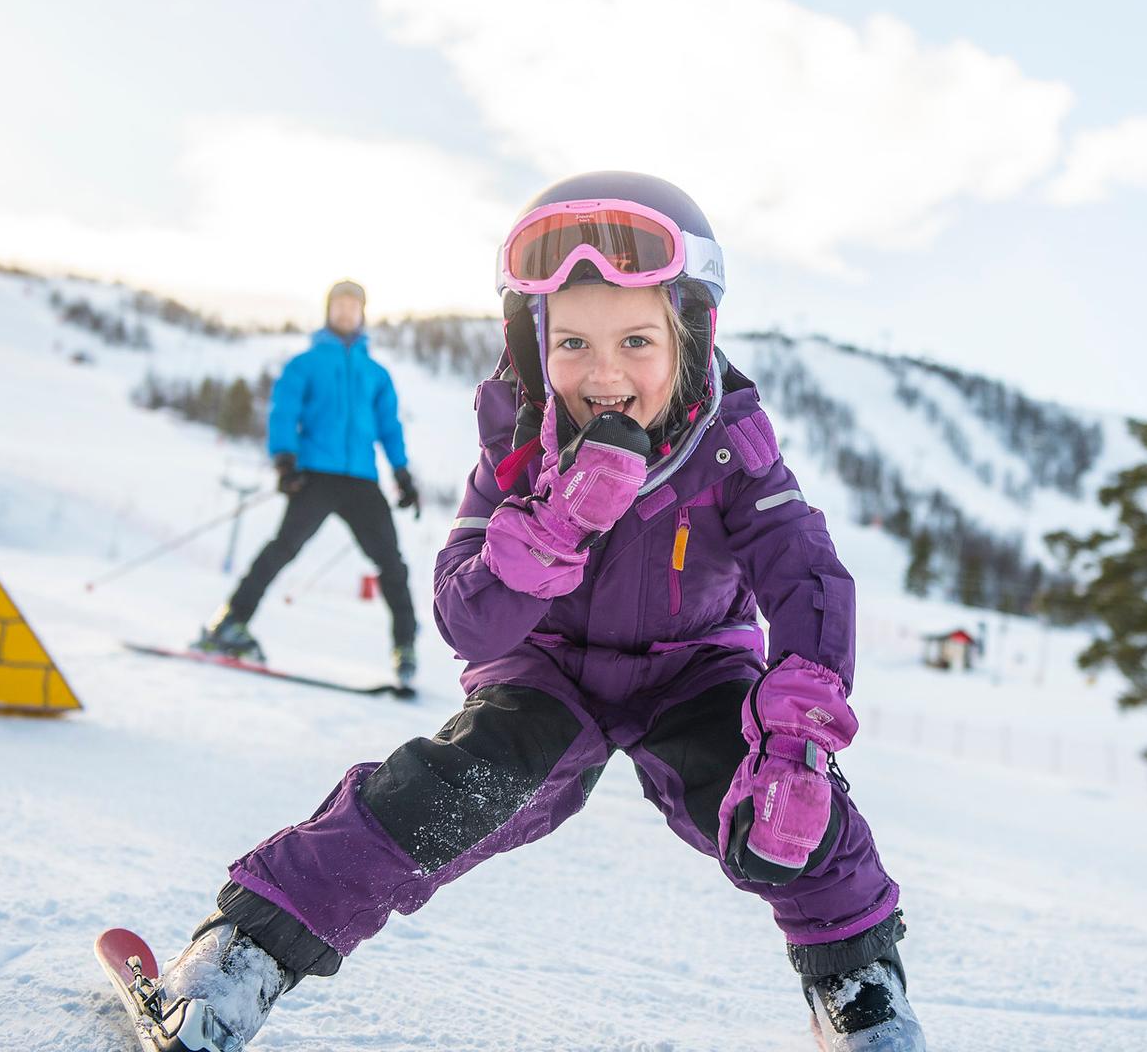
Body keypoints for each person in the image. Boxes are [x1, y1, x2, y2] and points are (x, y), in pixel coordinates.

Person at [146, 174, 924, 1052]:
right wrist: (551, 529)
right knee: (447, 788)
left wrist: (796, 736)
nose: (603, 373)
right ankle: (244, 952)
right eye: (574, 344)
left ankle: (861, 991)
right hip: (545, 667)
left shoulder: (730, 454)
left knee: (786, 808)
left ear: (691, 338)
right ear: (533, 344)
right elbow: (468, 622)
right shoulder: (517, 454)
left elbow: (808, 577)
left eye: (636, 339)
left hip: (696, 666)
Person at [193, 280, 424, 687]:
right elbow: (284, 412)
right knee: (281, 549)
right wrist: (285, 460)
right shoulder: (305, 364)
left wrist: (402, 473)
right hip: (315, 475)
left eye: (353, 306)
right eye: (340, 305)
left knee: (391, 562)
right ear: (329, 310)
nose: (346, 312)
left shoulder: (377, 373)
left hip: (362, 481)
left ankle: (404, 647)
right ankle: (230, 623)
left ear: (362, 313)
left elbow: (389, 426)